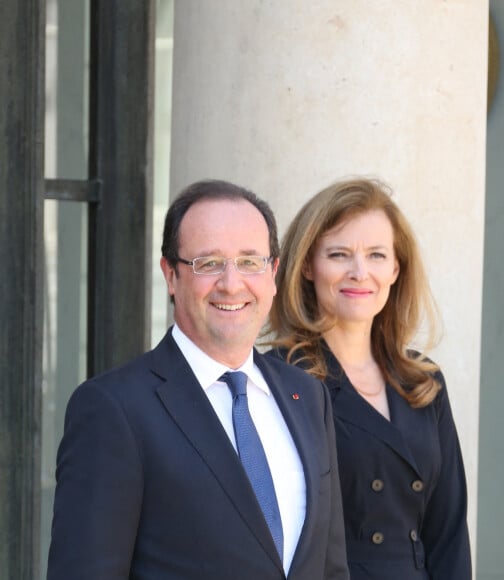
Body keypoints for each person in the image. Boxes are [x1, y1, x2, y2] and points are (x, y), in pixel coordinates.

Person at [47, 179, 349, 580]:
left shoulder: (308, 397)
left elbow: (330, 569)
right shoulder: (113, 410)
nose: (231, 282)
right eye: (208, 263)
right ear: (171, 276)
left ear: (273, 273)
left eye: (249, 261)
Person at [266, 177, 472, 579]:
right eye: (340, 254)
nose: (360, 273)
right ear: (308, 265)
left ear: (396, 268)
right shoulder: (279, 379)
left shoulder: (423, 381)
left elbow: (449, 533)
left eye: (376, 255)